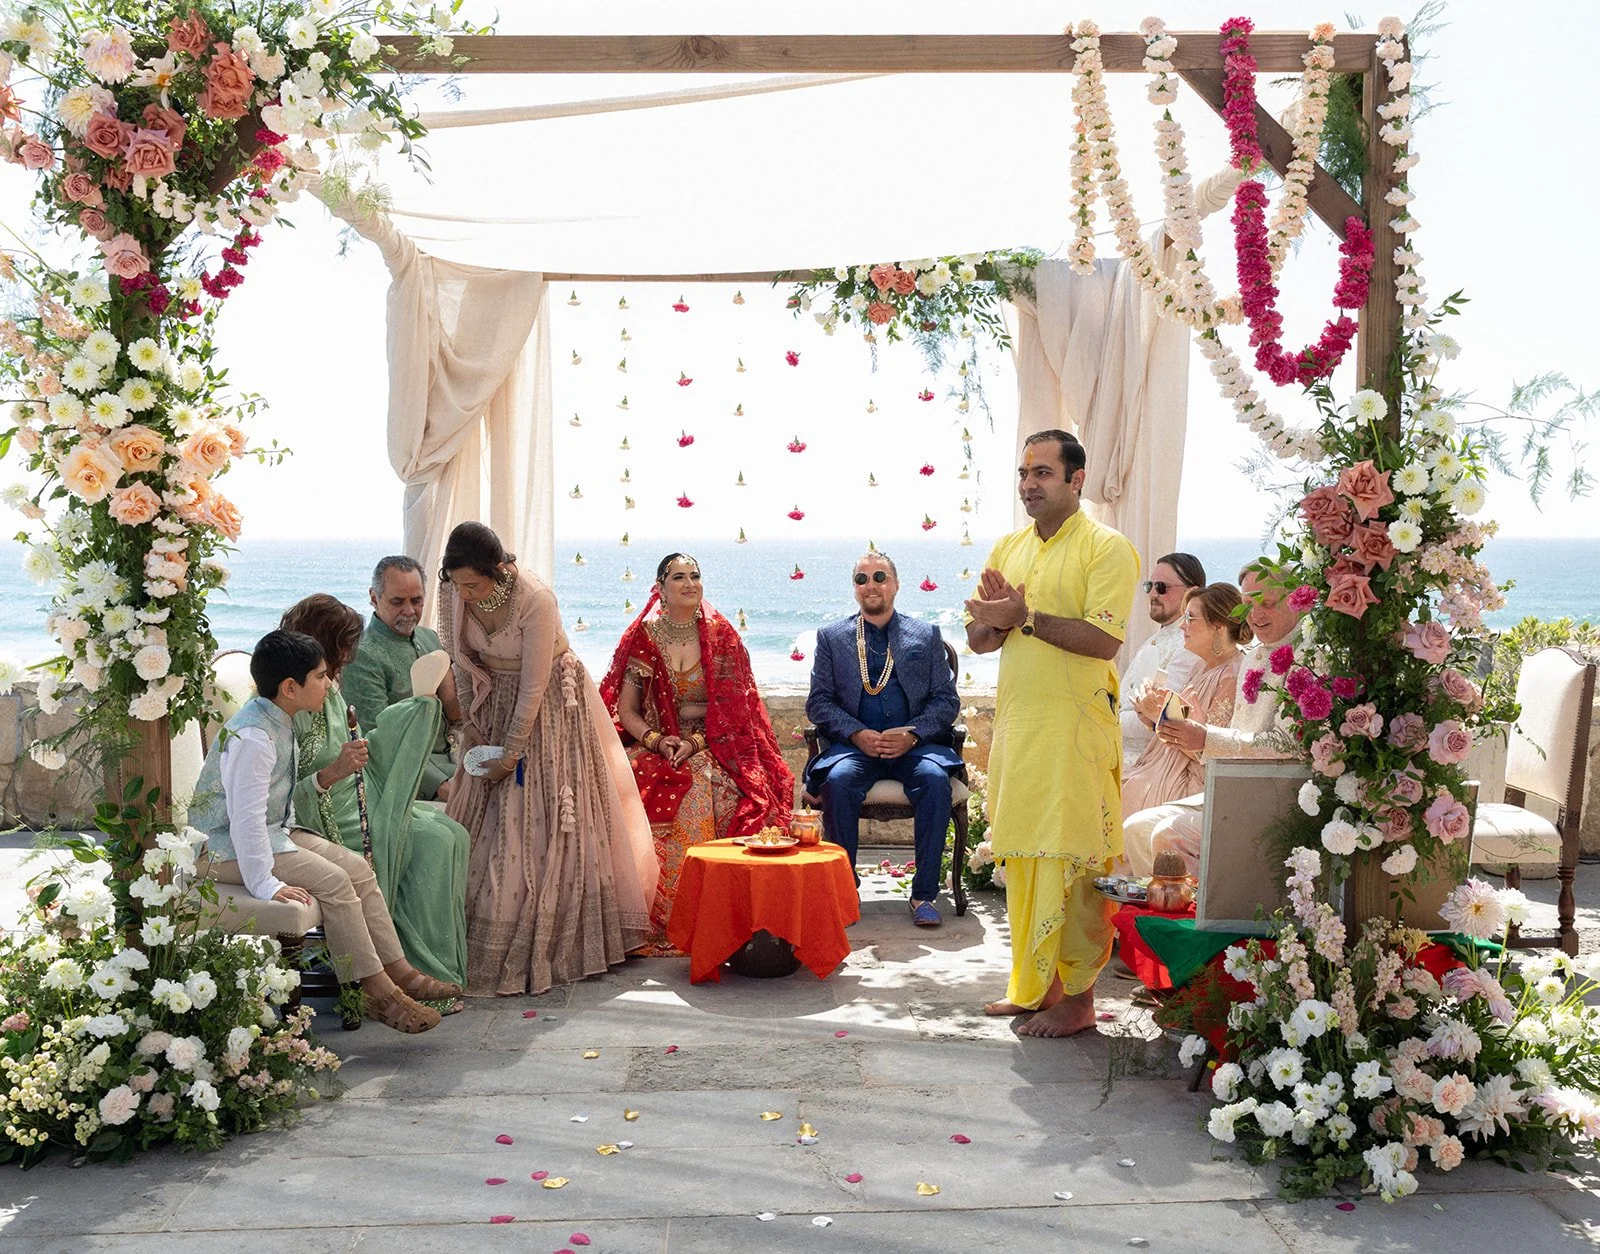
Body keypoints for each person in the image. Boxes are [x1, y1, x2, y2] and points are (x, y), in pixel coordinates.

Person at [190, 630, 459, 1034]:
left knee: (357, 869)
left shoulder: (280, 718)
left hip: (273, 831)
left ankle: (400, 972)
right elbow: (244, 821)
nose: (330, 683)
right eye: (319, 676)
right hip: (224, 849)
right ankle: (374, 991)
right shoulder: (255, 737)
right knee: (334, 881)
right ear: (289, 687)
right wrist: (265, 883)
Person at [964, 429, 1139, 1038]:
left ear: (1075, 480)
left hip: (1074, 729)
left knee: (1074, 861)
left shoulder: (1107, 548)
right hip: (1020, 725)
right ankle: (1035, 988)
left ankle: (1080, 1001)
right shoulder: (1009, 547)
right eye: (1023, 473)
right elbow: (980, 639)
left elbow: (1105, 639)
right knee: (1024, 854)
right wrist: (992, 624)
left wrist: (1027, 618)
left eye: (1042, 473)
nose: (1029, 484)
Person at [437, 522, 658, 996]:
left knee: (531, 819)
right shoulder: (453, 590)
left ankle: (539, 937)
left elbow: (534, 688)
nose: (465, 594)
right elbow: (456, 657)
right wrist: (471, 725)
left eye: (473, 585)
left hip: (550, 713)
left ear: (498, 571)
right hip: (490, 703)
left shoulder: (536, 599)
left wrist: (510, 754)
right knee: (478, 820)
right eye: (458, 585)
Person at [598, 553, 795, 954]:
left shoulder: (722, 636)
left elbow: (735, 712)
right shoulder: (646, 637)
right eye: (679, 577)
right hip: (659, 742)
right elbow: (627, 710)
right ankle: (657, 918)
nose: (690, 583)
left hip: (718, 742)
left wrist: (695, 743)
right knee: (635, 782)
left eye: (695, 576)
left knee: (706, 787)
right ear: (660, 587)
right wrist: (656, 740)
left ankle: (707, 916)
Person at [279, 593, 471, 991]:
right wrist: (332, 773)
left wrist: (416, 712)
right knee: (432, 842)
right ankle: (412, 971)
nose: (351, 655)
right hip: (321, 820)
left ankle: (428, 964)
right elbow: (276, 804)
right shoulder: (287, 706)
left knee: (453, 831)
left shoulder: (326, 688)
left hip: (361, 796)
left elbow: (364, 746)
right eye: (345, 646)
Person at [804, 550, 964, 926]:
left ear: (895, 585)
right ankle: (845, 891)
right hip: (855, 749)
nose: (870, 585)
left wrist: (912, 734)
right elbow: (819, 702)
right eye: (862, 579)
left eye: (879, 577)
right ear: (855, 589)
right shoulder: (832, 638)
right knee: (838, 782)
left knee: (936, 781)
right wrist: (856, 733)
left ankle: (924, 895)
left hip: (914, 749)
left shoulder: (925, 636)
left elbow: (947, 700)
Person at [1122, 564, 1307, 876]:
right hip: (1230, 783)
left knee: (1158, 830)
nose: (1255, 614)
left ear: (1296, 600)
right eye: (1248, 604)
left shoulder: (1307, 658)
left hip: (1269, 794)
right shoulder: (1254, 658)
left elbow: (1286, 744)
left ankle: (1190, 918)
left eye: (1268, 603)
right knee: (1136, 827)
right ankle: (1158, 915)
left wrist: (1202, 737)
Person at [1119, 583, 1249, 872]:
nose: (1182, 627)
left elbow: (1208, 751)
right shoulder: (1201, 667)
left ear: (1218, 626)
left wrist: (1161, 715)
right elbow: (1190, 721)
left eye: (1191, 619)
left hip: (1192, 781)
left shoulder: (1232, 676)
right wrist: (1154, 716)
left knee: (1126, 800)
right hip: (1165, 765)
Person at [341, 555, 462, 803]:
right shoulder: (362, 655)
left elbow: (456, 713)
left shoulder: (430, 639)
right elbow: (378, 739)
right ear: (374, 598)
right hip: (407, 779)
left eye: (416, 601)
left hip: (455, 759)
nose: (409, 611)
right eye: (397, 601)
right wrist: (440, 785)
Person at [1119, 553, 1206, 767]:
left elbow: (1161, 719)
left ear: (1191, 592)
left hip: (1149, 765)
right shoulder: (1157, 638)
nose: (1152, 595)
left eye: (1162, 587)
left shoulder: (1191, 646)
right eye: (1149, 586)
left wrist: (1104, 719)